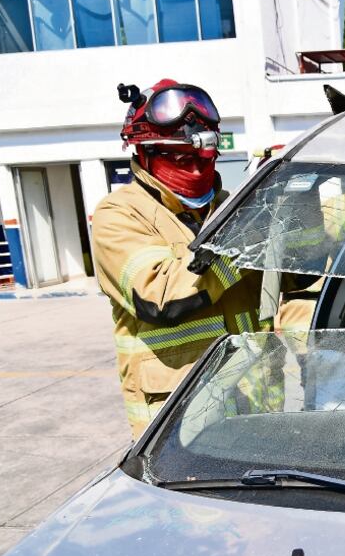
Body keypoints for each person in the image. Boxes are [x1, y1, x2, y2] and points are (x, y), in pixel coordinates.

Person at [92, 79, 264, 437]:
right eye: (182, 158)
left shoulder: (234, 206)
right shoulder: (119, 214)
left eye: (202, 157)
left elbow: (293, 279)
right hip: (180, 422)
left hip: (257, 404)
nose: (197, 168)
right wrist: (242, 241)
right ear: (145, 153)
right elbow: (159, 297)